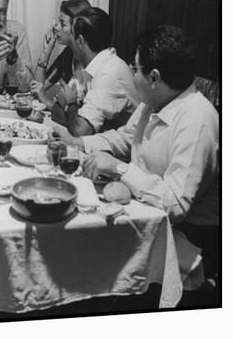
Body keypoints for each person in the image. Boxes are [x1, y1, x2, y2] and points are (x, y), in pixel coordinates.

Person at [55, 25, 219, 284]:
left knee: (79, 255)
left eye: (134, 67)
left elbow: (176, 205)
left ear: (154, 77)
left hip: (185, 238)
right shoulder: (154, 101)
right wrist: (77, 142)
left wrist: (120, 169)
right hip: (144, 212)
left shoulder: (197, 119)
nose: (131, 73)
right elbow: (123, 138)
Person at [50, 7, 140, 136]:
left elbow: (80, 130)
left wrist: (71, 105)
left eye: (72, 37)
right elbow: (55, 111)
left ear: (80, 41)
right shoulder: (93, 66)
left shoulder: (108, 74)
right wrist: (73, 113)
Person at [31, 0, 91, 108]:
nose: (56, 27)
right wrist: (46, 52)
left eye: (62, 23)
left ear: (77, 28)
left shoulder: (91, 59)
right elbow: (38, 89)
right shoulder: (68, 54)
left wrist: (45, 99)